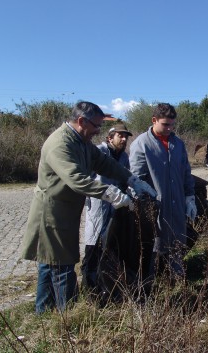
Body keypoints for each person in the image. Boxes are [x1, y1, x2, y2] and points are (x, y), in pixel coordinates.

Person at [21, 101, 156, 314]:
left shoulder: (81, 141)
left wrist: (131, 179)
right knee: (62, 267)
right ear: (82, 121)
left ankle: (43, 313)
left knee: (50, 264)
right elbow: (76, 179)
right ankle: (68, 317)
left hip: (65, 212)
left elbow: (104, 163)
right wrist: (111, 194)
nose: (98, 131)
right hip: (51, 213)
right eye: (96, 125)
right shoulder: (60, 144)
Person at [129, 103, 196, 280]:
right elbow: (136, 178)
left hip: (177, 207)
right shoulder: (141, 144)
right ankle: (149, 288)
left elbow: (186, 173)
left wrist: (190, 197)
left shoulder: (178, 144)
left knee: (176, 246)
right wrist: (145, 205)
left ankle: (177, 284)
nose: (169, 128)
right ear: (154, 120)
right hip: (156, 208)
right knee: (153, 248)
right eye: (165, 124)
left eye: (172, 124)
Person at [81, 122, 132, 293]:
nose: (124, 139)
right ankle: (89, 288)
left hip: (116, 208)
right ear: (110, 137)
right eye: (120, 135)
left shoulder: (124, 157)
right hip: (98, 205)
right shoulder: (99, 152)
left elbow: (126, 179)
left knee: (110, 246)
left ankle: (106, 286)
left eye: (126, 136)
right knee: (93, 244)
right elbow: (85, 179)